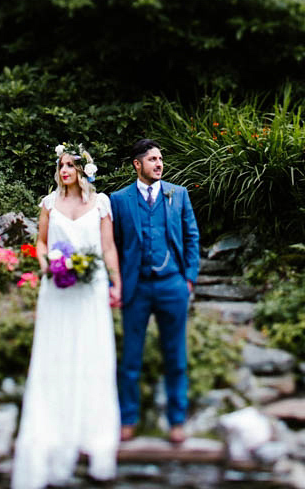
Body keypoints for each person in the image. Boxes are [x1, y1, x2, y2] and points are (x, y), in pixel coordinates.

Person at [11, 144, 122, 489]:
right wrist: (47, 265)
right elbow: (41, 243)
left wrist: (116, 283)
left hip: (90, 287)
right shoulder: (48, 204)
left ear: (83, 170)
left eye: (70, 165)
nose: (64, 171)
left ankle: (93, 429)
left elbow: (107, 248)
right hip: (57, 287)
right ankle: (52, 423)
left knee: (92, 353)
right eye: (61, 165)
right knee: (54, 353)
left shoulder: (100, 203)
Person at [110, 138, 200, 444]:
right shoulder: (119, 200)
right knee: (131, 357)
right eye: (152, 159)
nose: (159, 164)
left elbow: (191, 236)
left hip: (172, 284)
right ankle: (128, 419)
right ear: (138, 164)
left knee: (175, 356)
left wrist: (188, 277)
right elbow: (114, 245)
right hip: (136, 287)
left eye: (160, 159)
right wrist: (117, 283)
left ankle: (177, 421)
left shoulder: (179, 194)